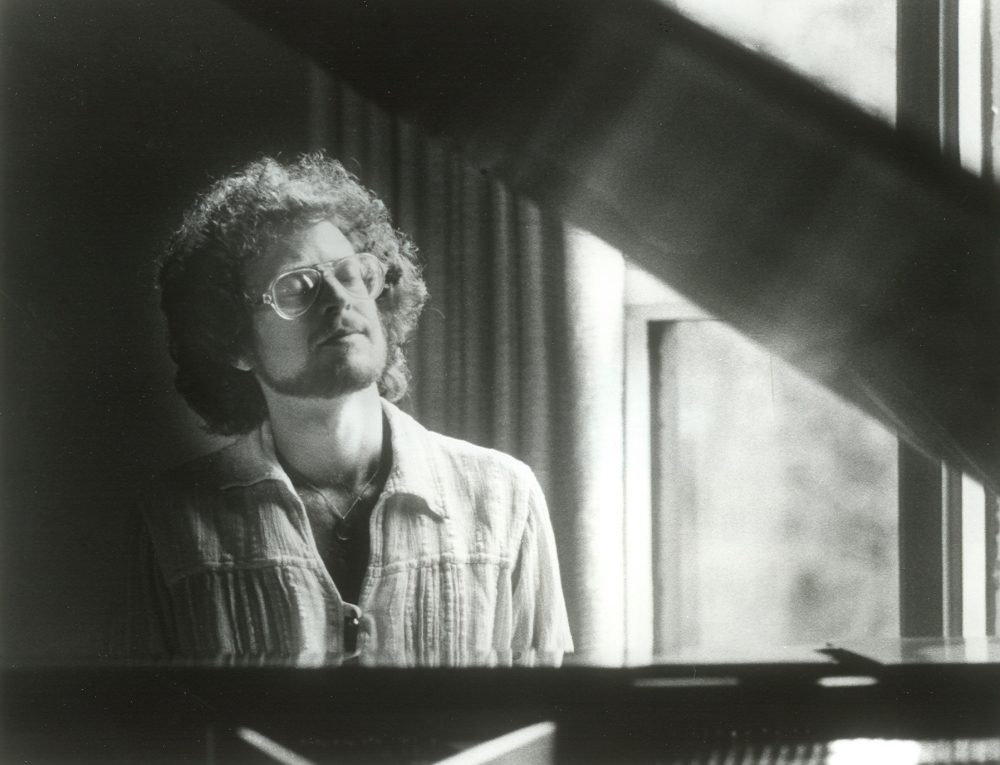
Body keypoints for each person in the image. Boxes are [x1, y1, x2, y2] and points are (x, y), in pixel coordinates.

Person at [118, 154, 573, 667]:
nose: (339, 299)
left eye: (350, 273)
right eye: (295, 288)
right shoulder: (169, 521)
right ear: (235, 342)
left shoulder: (505, 497)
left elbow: (543, 710)